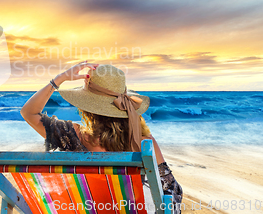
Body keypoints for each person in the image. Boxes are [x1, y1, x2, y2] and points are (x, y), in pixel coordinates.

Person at [21, 62, 183, 213]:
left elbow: (29, 112)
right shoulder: (144, 142)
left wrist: (59, 79)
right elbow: (172, 189)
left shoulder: (74, 136)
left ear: (86, 105)